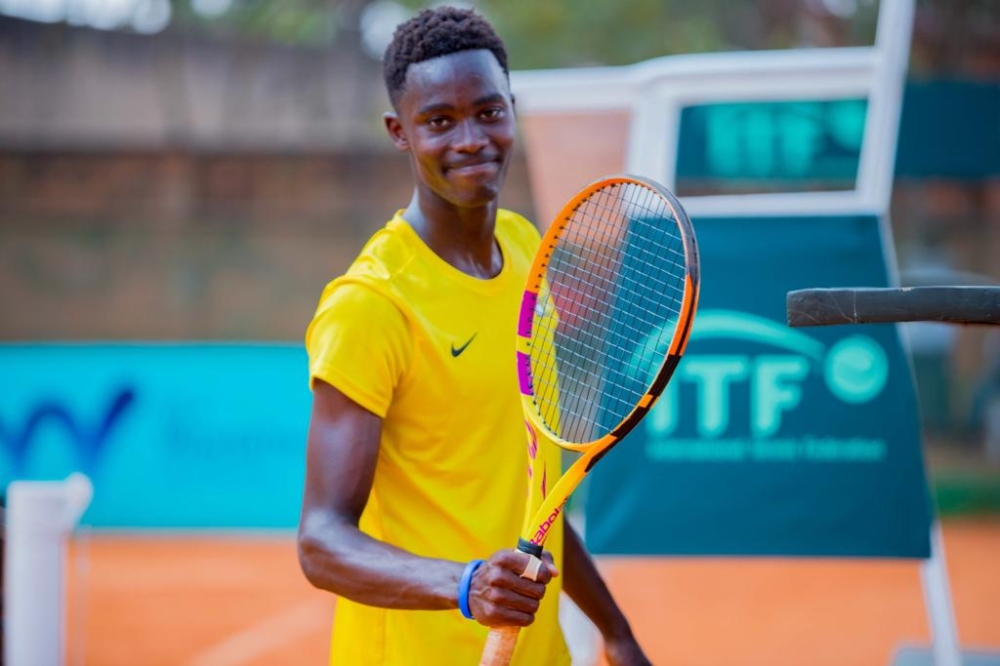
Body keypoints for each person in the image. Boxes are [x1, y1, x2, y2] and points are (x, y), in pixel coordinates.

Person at [297, 6, 651, 665]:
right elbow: (321, 542)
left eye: (489, 112)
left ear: (512, 110)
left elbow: (535, 503)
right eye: (439, 121)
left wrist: (616, 630)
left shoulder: (525, 249)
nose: (471, 140)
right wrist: (466, 585)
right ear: (400, 132)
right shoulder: (371, 304)